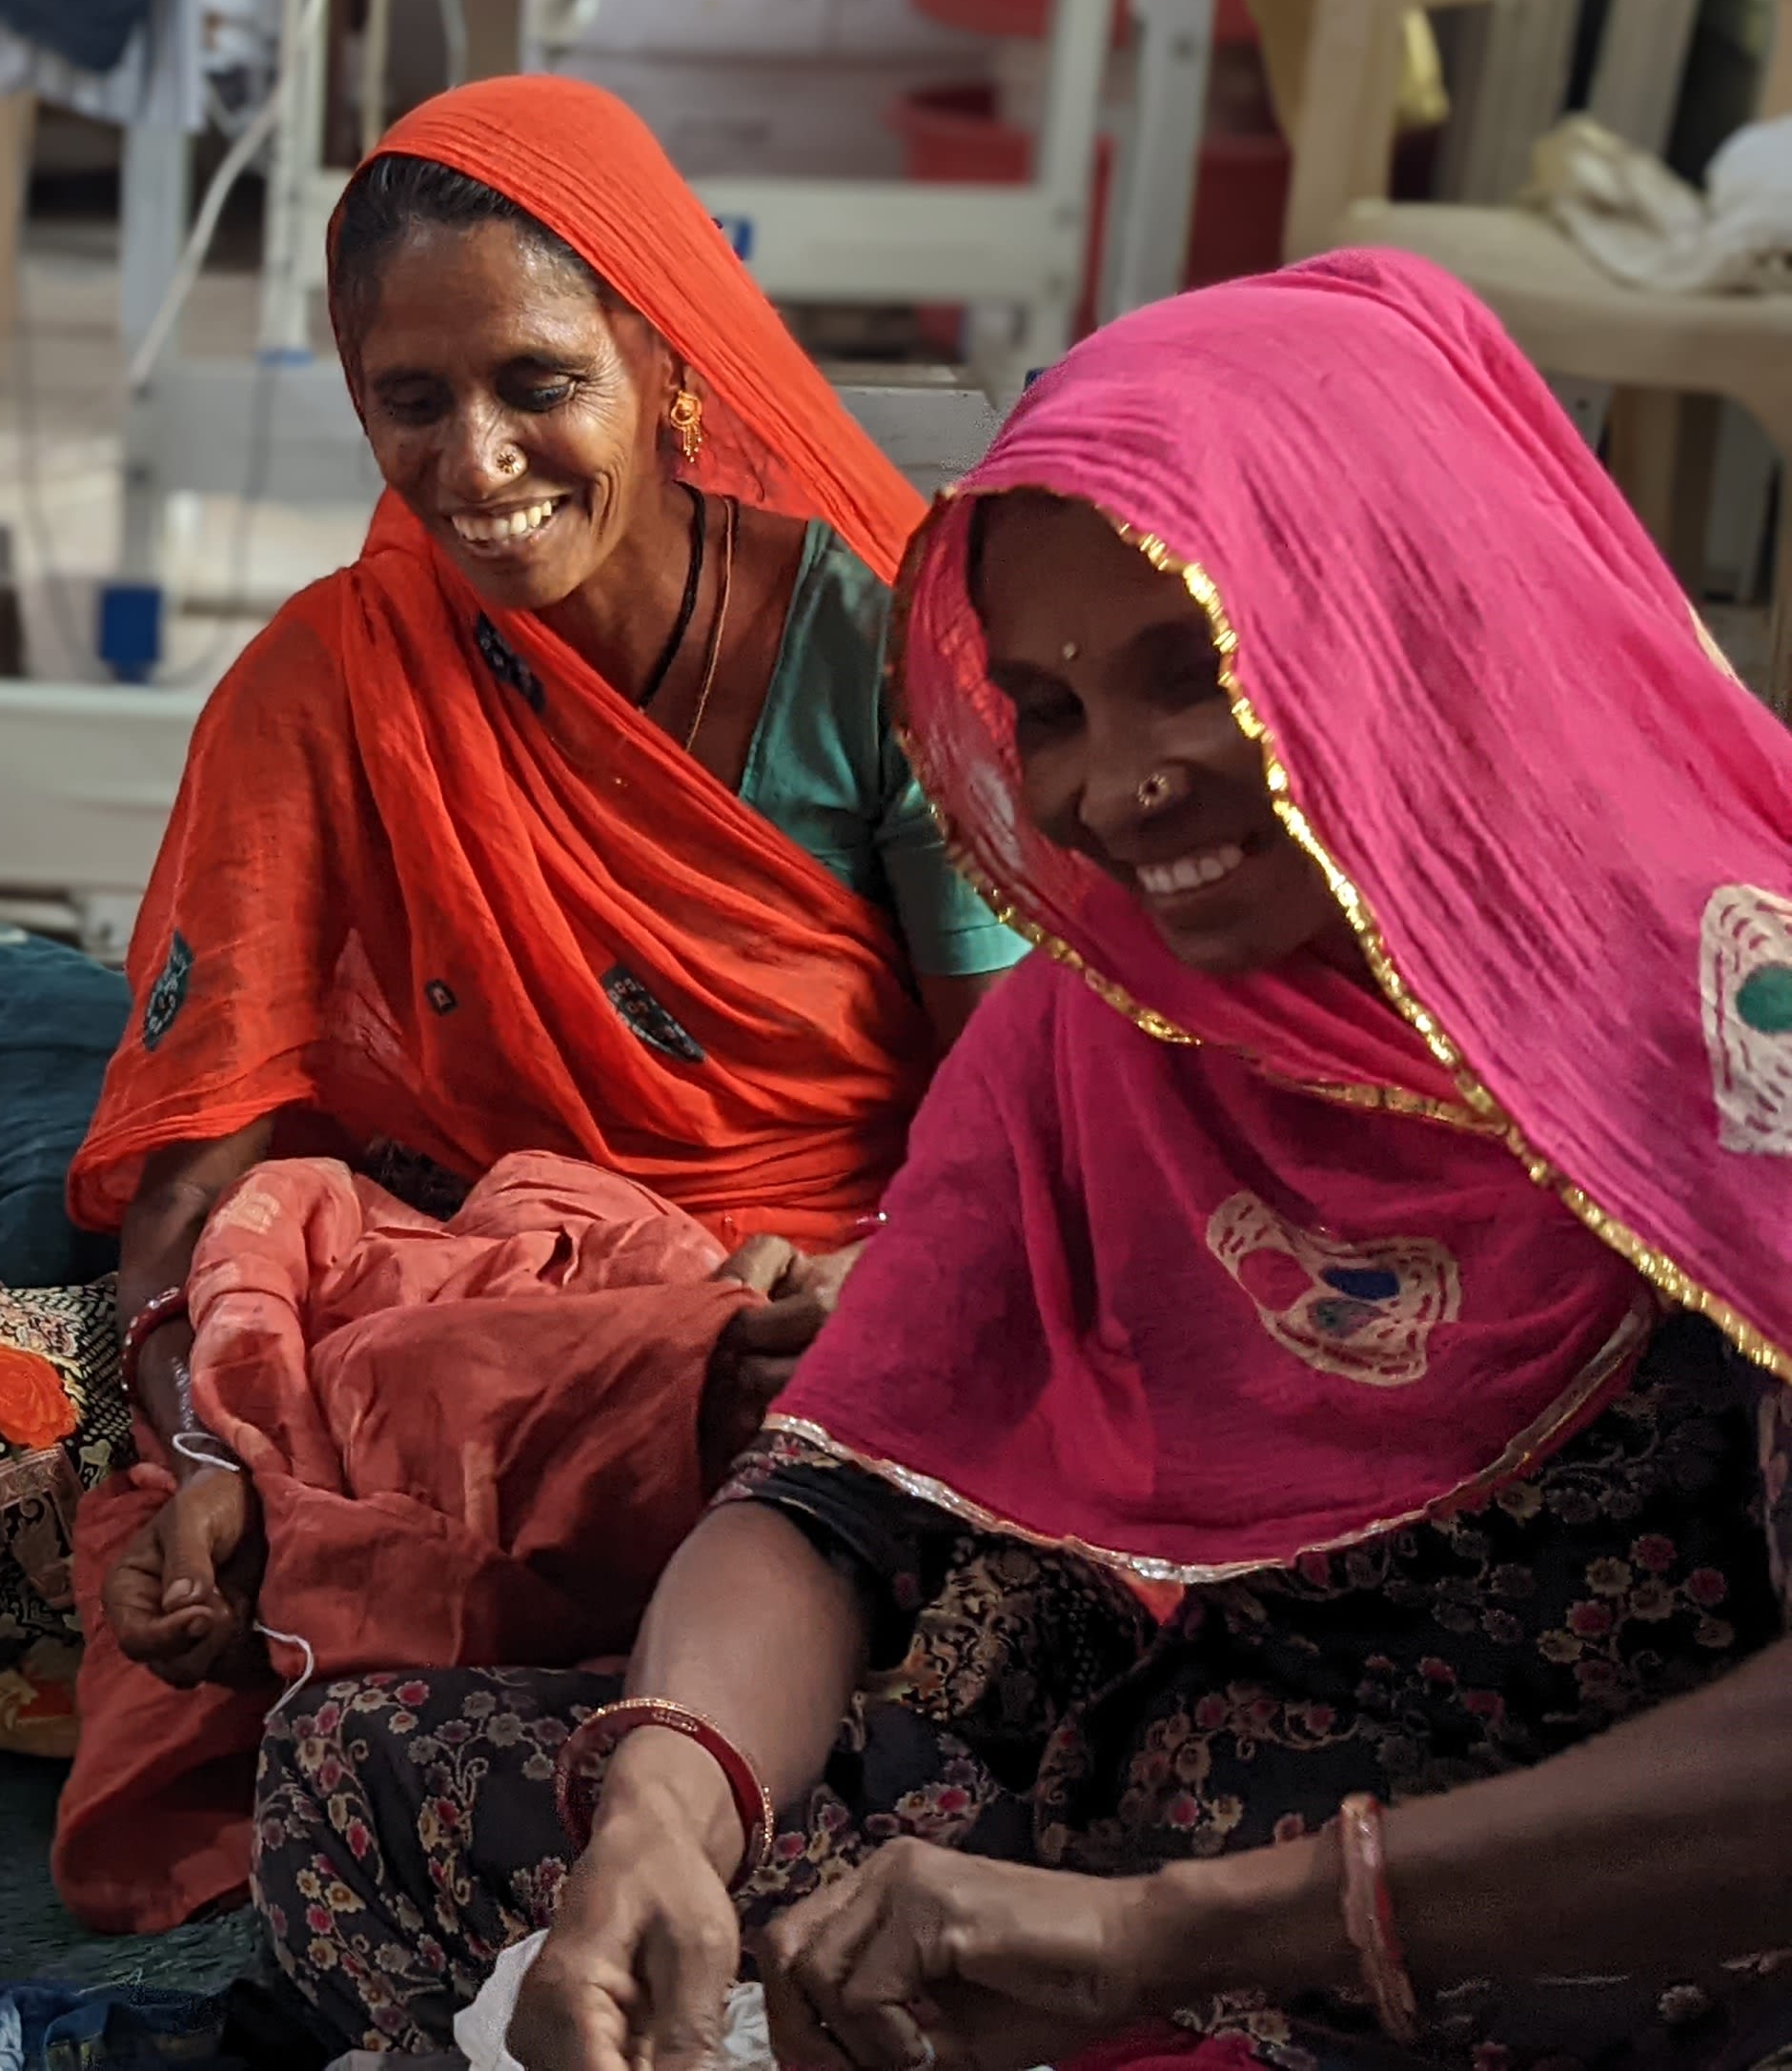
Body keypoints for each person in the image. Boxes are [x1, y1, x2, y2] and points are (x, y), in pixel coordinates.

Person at [251, 249, 1792, 2069]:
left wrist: (1165, 1938)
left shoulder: (1731, 1029)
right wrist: (669, 1809)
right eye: (1049, 710)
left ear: (1409, 622)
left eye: (1189, 670)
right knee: (370, 1782)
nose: (1114, 786)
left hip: (1556, 1928)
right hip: (1127, 1824)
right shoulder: (1118, 1019)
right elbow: (839, 1497)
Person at [0, 74, 1023, 1930]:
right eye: (414, 402)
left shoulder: (882, 652)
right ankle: (442, 1679)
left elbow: (1012, 1136)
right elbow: (200, 1162)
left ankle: (409, 1683)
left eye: (536, 385)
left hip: (797, 1369)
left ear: (659, 364)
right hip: (423, 1360)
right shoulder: (333, 681)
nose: (479, 460)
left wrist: (854, 1329)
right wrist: (208, 1452)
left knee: (943, 1549)